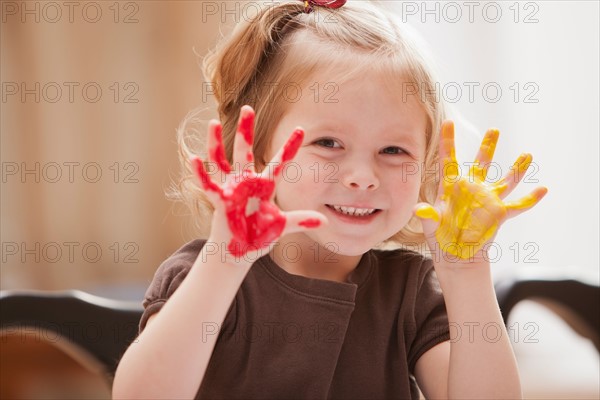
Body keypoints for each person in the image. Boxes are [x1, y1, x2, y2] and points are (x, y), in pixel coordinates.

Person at [113, 1, 547, 398]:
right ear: (263, 152)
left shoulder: (412, 292)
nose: (362, 177)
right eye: (328, 143)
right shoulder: (202, 275)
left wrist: (466, 272)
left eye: (394, 150)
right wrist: (224, 262)